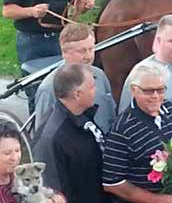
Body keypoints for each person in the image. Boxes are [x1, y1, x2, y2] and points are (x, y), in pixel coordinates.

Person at [102, 63, 172, 203]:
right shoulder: (122, 129)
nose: (155, 96)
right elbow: (113, 184)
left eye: (160, 90)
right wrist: (156, 200)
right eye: (148, 91)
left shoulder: (171, 110)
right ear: (133, 90)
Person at [2, 0, 95, 112]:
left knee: (65, 89)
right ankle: (38, 127)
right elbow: (7, 10)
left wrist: (85, 3)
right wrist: (31, 11)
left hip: (58, 39)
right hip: (32, 41)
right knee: (37, 91)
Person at [34, 23, 116, 136]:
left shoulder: (100, 75)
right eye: (82, 51)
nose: (88, 56)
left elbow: (111, 114)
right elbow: (43, 135)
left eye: (91, 49)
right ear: (64, 52)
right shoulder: (49, 88)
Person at [44, 64, 111, 203]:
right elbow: (55, 189)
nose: (96, 91)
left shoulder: (82, 116)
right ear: (77, 94)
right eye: (92, 87)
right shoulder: (53, 137)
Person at [0, 121, 66, 203]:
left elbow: (53, 193)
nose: (14, 157)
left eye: (17, 150)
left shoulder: (20, 174)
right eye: (7, 153)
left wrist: (55, 198)